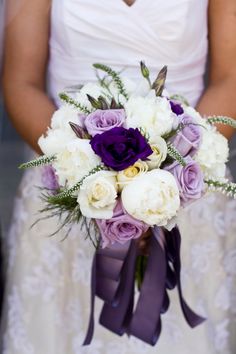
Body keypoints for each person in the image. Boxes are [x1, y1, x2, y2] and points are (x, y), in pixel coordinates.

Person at [1, 0, 236, 353]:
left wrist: (170, 175)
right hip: (69, 189)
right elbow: (22, 83)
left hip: (187, 190)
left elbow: (229, 77)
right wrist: (87, 175)